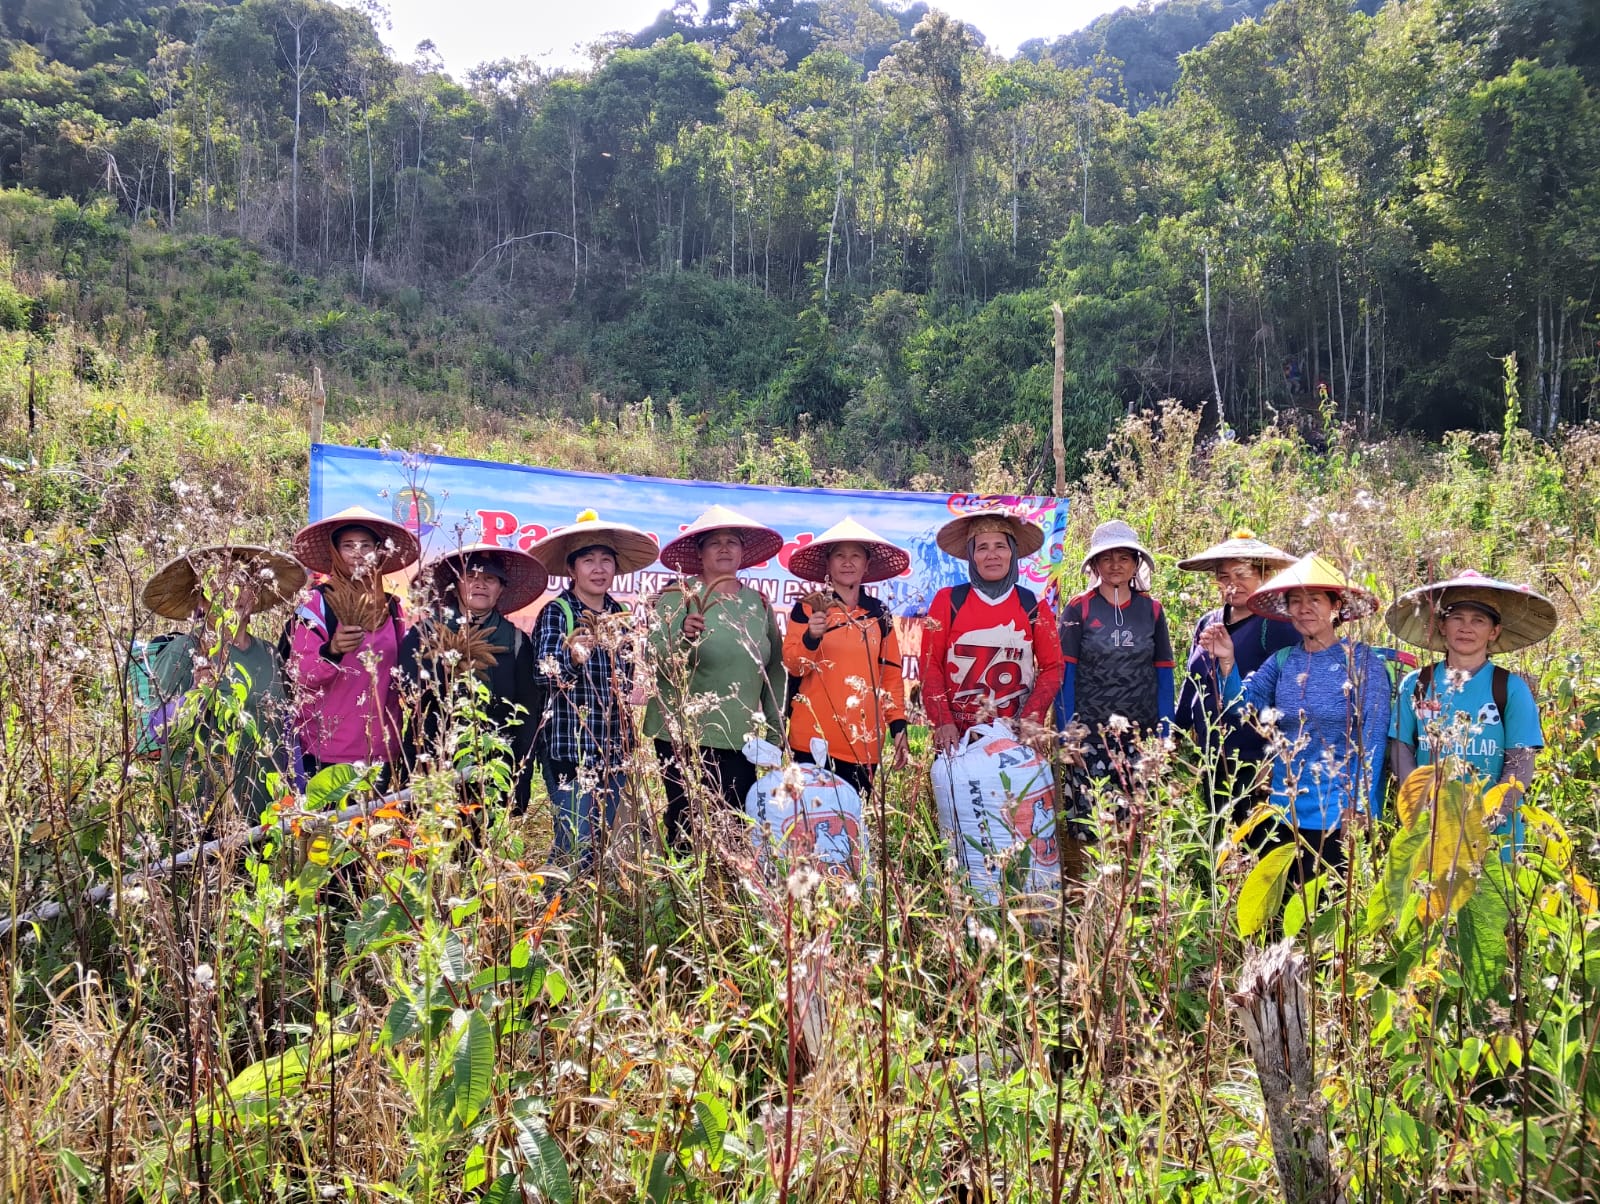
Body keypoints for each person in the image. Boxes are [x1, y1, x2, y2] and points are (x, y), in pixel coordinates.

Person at [1200, 553, 1391, 886]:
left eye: (1314, 600)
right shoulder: (1283, 660)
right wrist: (1227, 661)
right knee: (1283, 903)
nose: (1304, 609)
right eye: (1296, 602)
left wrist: (1360, 806)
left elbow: (1372, 738)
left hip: (1337, 813)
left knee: (1330, 906)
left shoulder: (1363, 663)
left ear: (1336, 607)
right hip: (1283, 809)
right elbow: (1243, 709)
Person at [644, 504, 786, 852]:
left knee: (734, 825)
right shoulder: (678, 597)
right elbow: (654, 656)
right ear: (699, 552)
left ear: (742, 552)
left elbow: (774, 668)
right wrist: (683, 638)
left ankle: (729, 885)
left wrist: (776, 728)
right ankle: (681, 885)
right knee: (686, 824)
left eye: (732, 542)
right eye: (714, 543)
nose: (724, 549)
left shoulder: (758, 603)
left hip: (740, 736)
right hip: (682, 733)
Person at [1386, 571, 1555, 850]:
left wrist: (1488, 817)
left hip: (1495, 837)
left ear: (1494, 632)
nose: (1466, 628)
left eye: (1478, 620)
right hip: (1430, 829)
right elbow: (1401, 748)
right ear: (1442, 626)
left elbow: (1520, 765)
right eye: (1457, 618)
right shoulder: (1416, 684)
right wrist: (1422, 806)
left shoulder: (1510, 689)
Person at [527, 510, 658, 870]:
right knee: (574, 844)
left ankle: (585, 906)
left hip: (614, 749)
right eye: (588, 561)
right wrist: (571, 658)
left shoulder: (620, 614)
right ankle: (554, 903)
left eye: (605, 560)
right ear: (572, 569)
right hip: (570, 749)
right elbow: (541, 675)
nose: (598, 569)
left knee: (604, 845)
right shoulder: (558, 612)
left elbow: (627, 680)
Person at [140, 544, 306, 826]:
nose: (232, 593)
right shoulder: (184, 652)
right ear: (202, 600)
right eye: (219, 584)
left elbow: (286, 728)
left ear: (254, 592)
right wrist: (195, 694)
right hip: (201, 816)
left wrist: (298, 789)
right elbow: (153, 732)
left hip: (266, 813)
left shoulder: (269, 653)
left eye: (241, 582)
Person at [397, 543, 547, 815]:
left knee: (483, 833)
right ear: (456, 585)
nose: (480, 584)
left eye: (490, 579)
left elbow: (527, 713)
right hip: (433, 758)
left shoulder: (515, 641)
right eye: (471, 576)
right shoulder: (427, 632)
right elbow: (408, 690)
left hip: (492, 763)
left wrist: (519, 774)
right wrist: (444, 671)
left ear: (501, 589)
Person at [287, 505, 420, 784]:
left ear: (378, 552)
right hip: (326, 748)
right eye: (348, 546)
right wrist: (332, 651)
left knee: (380, 815)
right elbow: (300, 674)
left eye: (366, 545)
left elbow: (402, 675)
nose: (358, 553)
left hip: (381, 748)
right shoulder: (316, 604)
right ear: (336, 552)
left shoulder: (392, 608)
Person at [1175, 529, 1299, 825]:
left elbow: (1291, 694)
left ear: (1264, 576)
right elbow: (1193, 682)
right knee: (1217, 835)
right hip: (1212, 753)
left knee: (1252, 837)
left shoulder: (1277, 625)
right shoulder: (1209, 622)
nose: (1233, 584)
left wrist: (1275, 758)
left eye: (1242, 574)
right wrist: (1176, 733)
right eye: (1224, 577)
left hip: (1254, 757)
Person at [783, 517, 911, 795]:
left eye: (856, 556)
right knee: (808, 818)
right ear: (828, 564)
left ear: (867, 565)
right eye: (839, 555)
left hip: (863, 743)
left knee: (852, 820)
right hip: (811, 740)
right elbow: (794, 666)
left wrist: (898, 727)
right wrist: (811, 637)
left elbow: (890, 675)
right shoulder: (808, 608)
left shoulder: (879, 613)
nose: (847, 563)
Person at [921, 509, 1063, 750]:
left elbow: (1053, 666)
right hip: (957, 738)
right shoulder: (949, 601)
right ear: (972, 556)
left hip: (1015, 737)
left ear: (1012, 553)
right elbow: (929, 664)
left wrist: (1032, 717)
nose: (992, 555)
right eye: (982, 548)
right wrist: (943, 721)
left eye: (1000, 546)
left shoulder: (1033, 605)